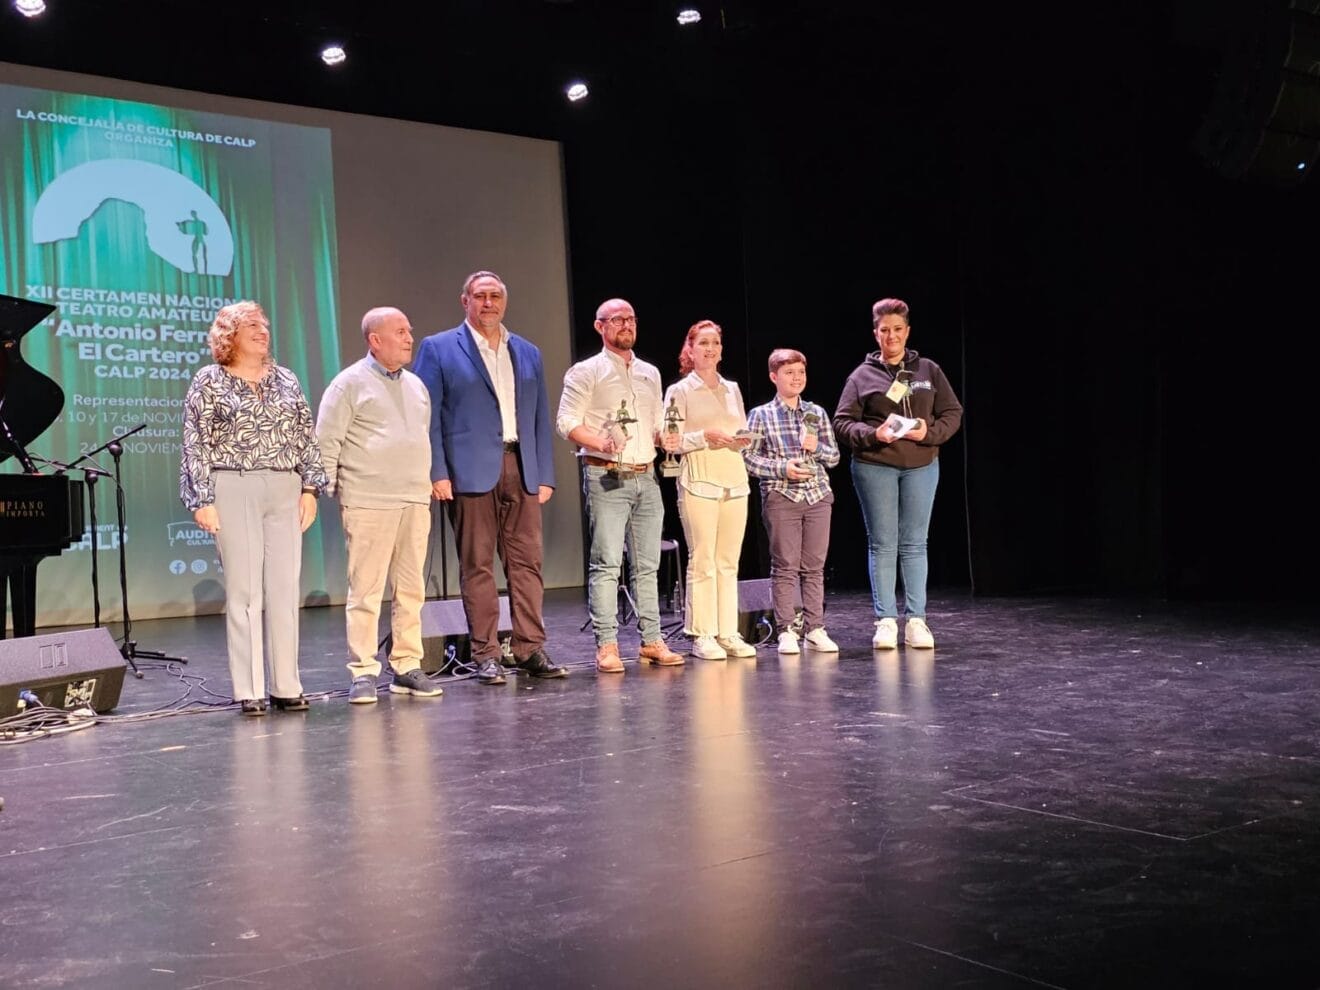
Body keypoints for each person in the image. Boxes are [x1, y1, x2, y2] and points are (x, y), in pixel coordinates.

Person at [411, 270, 567, 685]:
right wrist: (437, 471)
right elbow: (426, 417)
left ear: (505, 301)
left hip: (521, 466)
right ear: (465, 301)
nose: (489, 303)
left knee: (527, 563)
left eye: (496, 295)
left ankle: (529, 647)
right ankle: (486, 653)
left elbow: (538, 415)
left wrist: (544, 473)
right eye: (480, 296)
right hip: (468, 472)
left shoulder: (527, 351)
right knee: (477, 564)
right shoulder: (440, 348)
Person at [179, 300, 326, 715]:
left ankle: (285, 684)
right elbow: (195, 444)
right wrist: (201, 499)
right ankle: (250, 689)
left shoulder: (286, 380)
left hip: (285, 485)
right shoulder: (209, 381)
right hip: (233, 485)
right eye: (252, 326)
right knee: (244, 592)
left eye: (265, 325)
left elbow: (305, 436)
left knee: (283, 589)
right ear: (230, 336)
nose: (263, 332)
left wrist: (310, 488)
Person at [316, 307, 444, 705]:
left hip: (413, 499)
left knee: (410, 590)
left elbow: (419, 439)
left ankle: (406, 665)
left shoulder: (417, 386)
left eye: (409, 330)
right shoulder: (348, 384)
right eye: (401, 332)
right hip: (368, 500)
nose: (410, 338)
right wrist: (323, 490)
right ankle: (363, 670)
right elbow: (326, 442)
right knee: (366, 590)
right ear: (375, 340)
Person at [557, 298, 685, 674]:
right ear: (600, 327)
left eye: (630, 319)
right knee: (607, 563)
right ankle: (608, 645)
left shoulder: (650, 372)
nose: (625, 325)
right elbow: (566, 421)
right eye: (617, 320)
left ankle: (651, 641)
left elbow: (657, 420)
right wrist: (599, 442)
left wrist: (666, 438)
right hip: (606, 474)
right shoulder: (586, 371)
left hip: (646, 476)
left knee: (647, 565)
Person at [833, 297, 963, 650]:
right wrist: (874, 434)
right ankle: (887, 620)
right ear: (875, 333)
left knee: (915, 543)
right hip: (876, 466)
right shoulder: (862, 376)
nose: (891, 336)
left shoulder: (928, 371)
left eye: (897, 330)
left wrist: (929, 432)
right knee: (883, 543)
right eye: (884, 330)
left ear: (908, 332)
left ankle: (916, 620)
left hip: (922, 464)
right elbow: (842, 423)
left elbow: (952, 412)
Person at [663, 319, 757, 660]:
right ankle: (703, 634)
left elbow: (739, 428)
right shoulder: (680, 391)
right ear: (690, 349)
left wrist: (743, 438)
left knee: (728, 561)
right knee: (702, 559)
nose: (710, 348)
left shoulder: (731, 388)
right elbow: (669, 440)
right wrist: (704, 436)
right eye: (703, 342)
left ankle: (728, 631)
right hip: (699, 481)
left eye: (715, 342)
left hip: (734, 479)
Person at [743, 348, 841, 654]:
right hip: (782, 495)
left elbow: (834, 456)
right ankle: (786, 629)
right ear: (774, 377)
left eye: (801, 372)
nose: (796, 378)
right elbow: (748, 459)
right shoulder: (760, 415)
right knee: (785, 565)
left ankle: (816, 628)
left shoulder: (816, 413)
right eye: (789, 373)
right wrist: (781, 468)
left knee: (814, 566)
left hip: (817, 495)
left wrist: (817, 448)